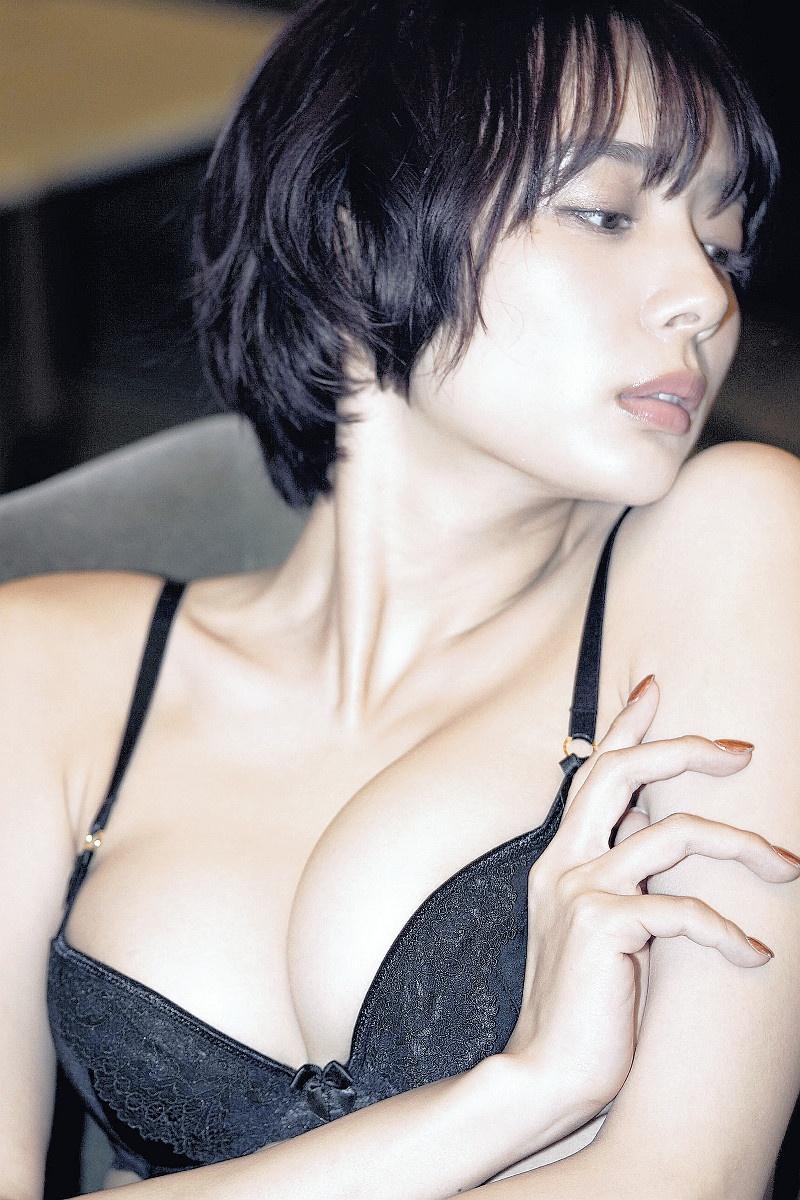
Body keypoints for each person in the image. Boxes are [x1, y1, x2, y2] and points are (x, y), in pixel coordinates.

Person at [2, 1, 799, 1198]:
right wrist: (521, 1093)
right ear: (346, 233)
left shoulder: (736, 540)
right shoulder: (45, 667)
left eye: (722, 247)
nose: (703, 296)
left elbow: (685, 1180)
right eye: (602, 212)